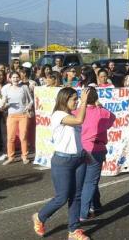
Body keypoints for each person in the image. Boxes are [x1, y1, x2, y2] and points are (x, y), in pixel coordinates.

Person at [32, 87, 91, 240]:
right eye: (74, 99)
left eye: (78, 99)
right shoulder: (58, 115)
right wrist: (84, 102)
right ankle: (39, 217)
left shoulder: (71, 115)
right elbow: (79, 120)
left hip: (79, 159)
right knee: (62, 197)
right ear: (64, 99)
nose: (77, 101)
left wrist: (84, 153)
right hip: (62, 161)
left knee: (76, 196)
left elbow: (76, 139)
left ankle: (74, 230)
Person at [78, 87, 115, 221]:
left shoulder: (76, 112)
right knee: (91, 181)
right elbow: (112, 117)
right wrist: (101, 106)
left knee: (87, 181)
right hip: (96, 149)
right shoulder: (103, 112)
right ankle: (84, 212)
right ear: (96, 98)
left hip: (81, 149)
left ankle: (95, 205)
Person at [0, 71, 34, 165]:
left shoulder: (24, 87)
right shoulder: (7, 89)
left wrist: (29, 106)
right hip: (11, 115)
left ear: (19, 78)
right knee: (10, 137)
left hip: (23, 115)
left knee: (23, 136)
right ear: (10, 79)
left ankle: (25, 156)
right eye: (13, 77)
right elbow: (3, 103)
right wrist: (3, 105)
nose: (15, 79)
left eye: (17, 77)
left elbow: (31, 100)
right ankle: (11, 157)